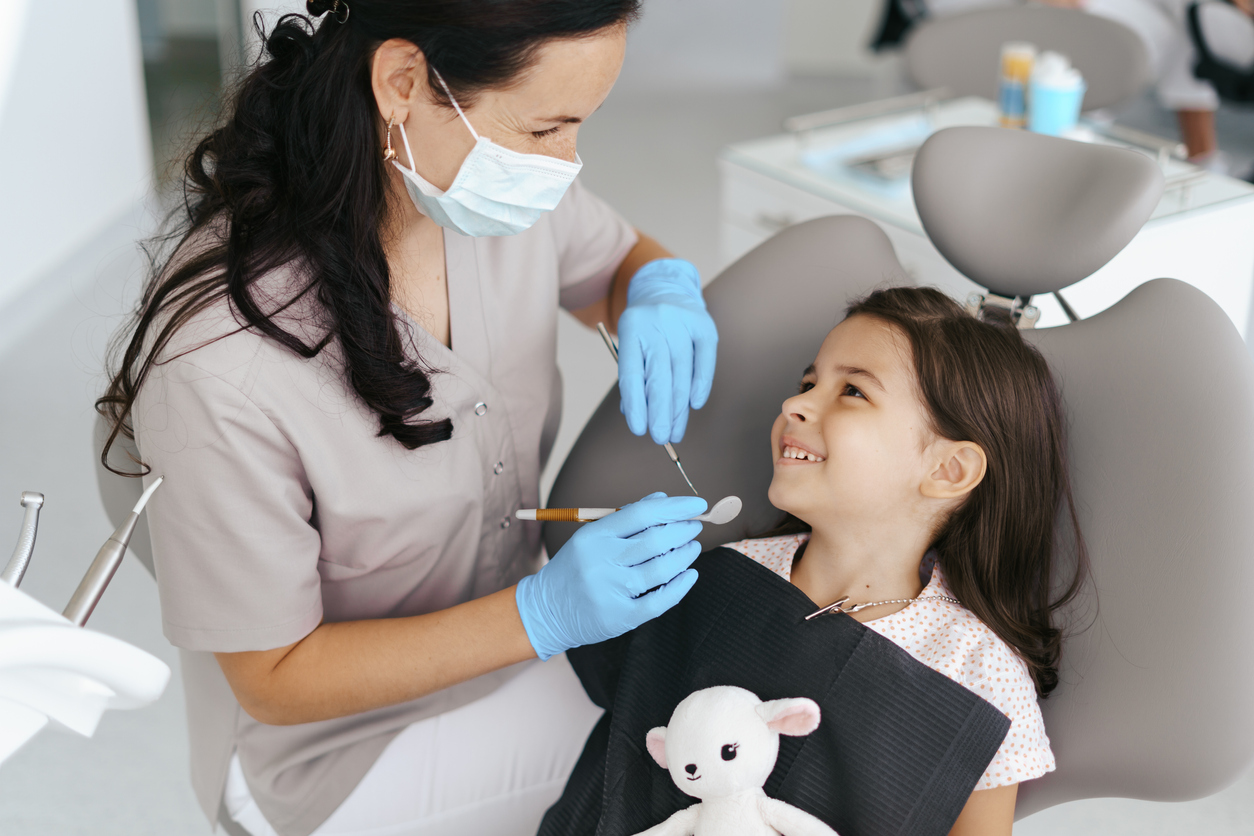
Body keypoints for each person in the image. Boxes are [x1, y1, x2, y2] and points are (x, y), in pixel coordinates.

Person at [96, 2, 718, 835]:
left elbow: (612, 259)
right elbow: (275, 677)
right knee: (687, 782)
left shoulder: (484, 192)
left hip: (513, 652)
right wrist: (542, 614)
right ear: (403, 83)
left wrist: (657, 286)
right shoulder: (224, 364)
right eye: (545, 130)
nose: (567, 164)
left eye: (581, 125)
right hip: (335, 749)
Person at [560, 287, 1088, 836]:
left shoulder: (979, 673)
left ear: (949, 470)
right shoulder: (720, 574)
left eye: (853, 391)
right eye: (808, 383)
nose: (795, 404)